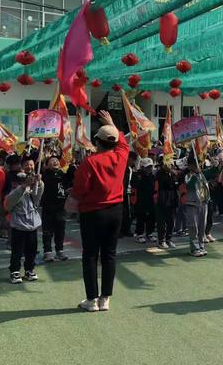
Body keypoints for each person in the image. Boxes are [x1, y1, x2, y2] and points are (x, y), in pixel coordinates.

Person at [70, 111, 129, 312]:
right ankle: (105, 298)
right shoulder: (121, 156)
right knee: (109, 255)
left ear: (97, 141)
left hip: (93, 212)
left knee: (90, 256)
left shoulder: (90, 162)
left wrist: (70, 202)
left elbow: (80, 190)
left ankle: (91, 299)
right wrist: (112, 124)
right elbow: (123, 143)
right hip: (115, 211)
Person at [6, 171, 44, 284]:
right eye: (20, 181)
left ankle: (29, 269)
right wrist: (23, 187)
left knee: (31, 251)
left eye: (24, 180)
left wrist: (39, 182)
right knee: (17, 251)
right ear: (13, 183)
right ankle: (14, 271)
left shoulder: (30, 192)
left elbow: (38, 195)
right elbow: (10, 202)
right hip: (18, 227)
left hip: (32, 227)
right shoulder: (12, 193)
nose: (23, 183)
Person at [41, 156, 69, 262]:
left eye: (56, 160)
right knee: (47, 231)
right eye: (52, 161)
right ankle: (47, 252)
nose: (55, 162)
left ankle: (60, 251)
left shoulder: (63, 174)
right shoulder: (44, 175)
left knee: (60, 230)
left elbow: (68, 184)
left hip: (61, 207)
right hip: (48, 206)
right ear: (47, 165)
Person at [184, 155, 210, 257]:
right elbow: (189, 185)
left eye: (198, 164)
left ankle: (201, 246)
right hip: (192, 203)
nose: (197, 166)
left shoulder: (202, 174)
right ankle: (194, 248)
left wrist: (218, 165)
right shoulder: (188, 175)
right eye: (194, 164)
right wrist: (195, 175)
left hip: (203, 202)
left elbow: (212, 173)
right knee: (193, 227)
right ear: (190, 165)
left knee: (202, 226)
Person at [154, 157, 178, 249]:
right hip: (162, 200)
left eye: (171, 163)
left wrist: (173, 175)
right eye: (168, 163)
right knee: (162, 222)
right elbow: (163, 183)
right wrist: (170, 173)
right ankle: (161, 240)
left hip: (172, 200)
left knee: (171, 221)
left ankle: (169, 239)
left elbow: (176, 184)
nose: (170, 165)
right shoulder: (159, 174)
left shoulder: (173, 174)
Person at [134, 157, 156, 244]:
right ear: (142, 167)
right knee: (141, 217)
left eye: (150, 167)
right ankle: (139, 234)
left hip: (150, 200)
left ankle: (149, 233)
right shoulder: (138, 176)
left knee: (151, 217)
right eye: (147, 167)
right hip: (140, 200)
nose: (149, 169)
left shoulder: (152, 176)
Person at [120, 152, 137, 238]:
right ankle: (120, 231)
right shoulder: (122, 167)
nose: (133, 162)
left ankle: (126, 230)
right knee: (122, 213)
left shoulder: (129, 169)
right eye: (133, 160)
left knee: (128, 213)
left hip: (127, 193)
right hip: (120, 193)